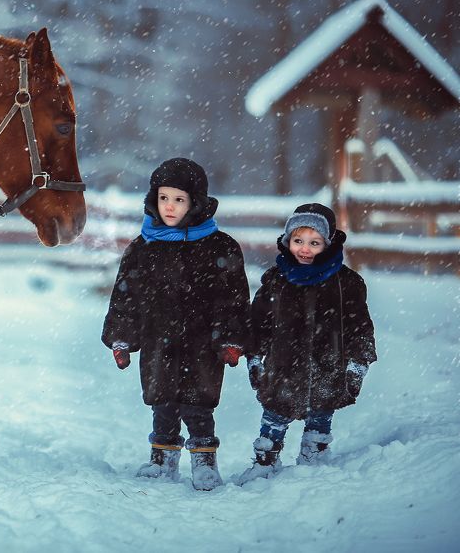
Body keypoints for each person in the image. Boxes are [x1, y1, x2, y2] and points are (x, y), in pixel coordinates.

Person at [102, 158, 250, 490]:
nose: (169, 207)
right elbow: (127, 298)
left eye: (179, 199)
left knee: (198, 402)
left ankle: (204, 459)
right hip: (158, 339)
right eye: (163, 198)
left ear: (195, 202)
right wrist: (122, 338)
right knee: (163, 401)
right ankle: (163, 458)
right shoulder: (143, 248)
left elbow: (233, 299)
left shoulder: (219, 247)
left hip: (202, 342)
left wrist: (229, 338)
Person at [236, 203, 376, 485]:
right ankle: (265, 461)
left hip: (328, 366)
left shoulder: (345, 283)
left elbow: (360, 327)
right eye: (298, 241)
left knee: (321, 415)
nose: (304, 249)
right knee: (274, 415)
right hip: (283, 366)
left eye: (314, 242)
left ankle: (314, 458)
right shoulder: (277, 280)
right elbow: (258, 323)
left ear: (328, 243)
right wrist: (254, 357)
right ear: (288, 241)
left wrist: (358, 364)